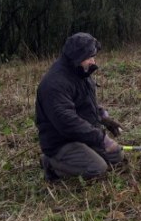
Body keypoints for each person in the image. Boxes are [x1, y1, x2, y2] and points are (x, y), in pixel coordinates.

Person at [36, 32, 124, 182]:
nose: (93, 61)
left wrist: (103, 117)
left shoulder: (81, 71)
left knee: (117, 156)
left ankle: (80, 155)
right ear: (77, 57)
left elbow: (85, 104)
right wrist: (101, 139)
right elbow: (68, 122)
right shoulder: (54, 85)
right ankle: (51, 162)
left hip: (81, 136)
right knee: (97, 168)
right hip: (61, 141)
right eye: (89, 57)